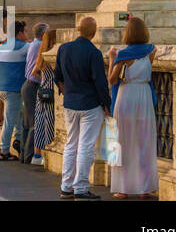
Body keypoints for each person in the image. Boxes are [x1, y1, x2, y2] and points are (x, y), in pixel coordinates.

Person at [55, 16, 112, 199]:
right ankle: (80, 187)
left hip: (71, 103)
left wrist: (66, 93)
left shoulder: (63, 49)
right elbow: (100, 82)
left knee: (71, 143)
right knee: (86, 145)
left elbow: (58, 76)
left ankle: (66, 185)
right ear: (93, 33)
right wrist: (106, 103)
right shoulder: (93, 52)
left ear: (78, 30)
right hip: (89, 104)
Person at [108, 16, 158, 198]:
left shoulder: (123, 55)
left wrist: (113, 58)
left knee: (123, 141)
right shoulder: (152, 50)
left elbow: (112, 80)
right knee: (144, 141)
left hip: (126, 96)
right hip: (144, 95)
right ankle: (145, 187)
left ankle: (123, 188)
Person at [0, 19, 29, 161]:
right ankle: (4, 150)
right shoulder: (25, 46)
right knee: (9, 120)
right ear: (20, 33)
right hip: (13, 89)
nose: (27, 34)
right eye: (25, 31)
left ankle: (18, 140)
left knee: (19, 115)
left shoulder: (2, 46)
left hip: (0, 88)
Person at [21, 22, 47, 164]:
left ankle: (24, 155)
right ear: (43, 34)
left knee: (26, 123)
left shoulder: (33, 44)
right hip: (33, 86)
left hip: (27, 85)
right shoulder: (39, 46)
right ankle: (30, 156)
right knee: (34, 123)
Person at [31, 27, 57, 166]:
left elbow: (34, 72)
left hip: (41, 90)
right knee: (50, 123)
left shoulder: (42, 55)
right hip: (51, 92)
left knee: (40, 121)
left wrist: (43, 79)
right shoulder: (52, 57)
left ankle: (36, 155)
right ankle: (48, 152)